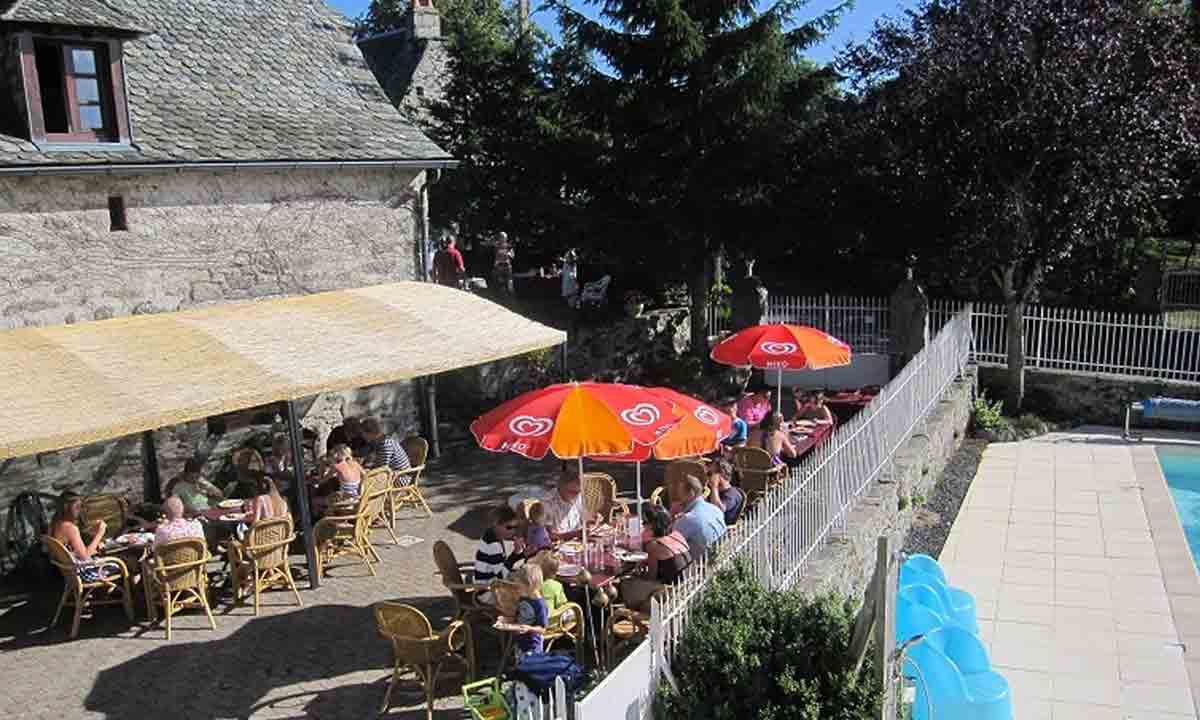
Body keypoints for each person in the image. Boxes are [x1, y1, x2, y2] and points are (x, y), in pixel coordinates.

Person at [48, 491, 114, 582]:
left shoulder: (54, 523)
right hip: (85, 572)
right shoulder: (70, 528)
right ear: (66, 508)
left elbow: (73, 551)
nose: (80, 510)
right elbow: (85, 556)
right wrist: (100, 533)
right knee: (129, 562)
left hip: (69, 572)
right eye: (77, 507)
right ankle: (129, 593)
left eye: (80, 507)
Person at [671, 474, 727, 562]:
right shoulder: (716, 509)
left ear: (691, 493)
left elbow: (670, 544)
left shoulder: (688, 519)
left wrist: (672, 519)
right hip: (722, 557)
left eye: (681, 493)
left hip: (700, 567)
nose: (678, 497)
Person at [474, 504, 526, 586]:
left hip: (490, 583)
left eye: (515, 527)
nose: (513, 531)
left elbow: (501, 565)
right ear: (497, 524)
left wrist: (523, 554)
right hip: (487, 590)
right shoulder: (494, 546)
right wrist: (516, 553)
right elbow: (501, 576)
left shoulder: (490, 533)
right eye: (509, 527)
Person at [641, 504, 692, 584]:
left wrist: (639, 575)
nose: (643, 525)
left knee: (627, 584)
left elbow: (651, 577)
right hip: (688, 583)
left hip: (672, 590)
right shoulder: (677, 535)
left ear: (653, 525)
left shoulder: (653, 545)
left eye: (644, 522)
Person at [540, 464, 593, 540]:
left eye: (578, 492)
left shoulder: (578, 495)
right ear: (561, 487)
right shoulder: (547, 503)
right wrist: (574, 534)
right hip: (557, 546)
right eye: (573, 492)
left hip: (577, 543)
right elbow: (548, 536)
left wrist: (593, 520)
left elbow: (584, 516)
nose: (576, 496)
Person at [705, 461, 745, 526]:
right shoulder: (715, 492)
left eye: (709, 474)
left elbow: (717, 510)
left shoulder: (732, 494)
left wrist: (714, 486)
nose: (707, 477)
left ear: (720, 475)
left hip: (721, 531)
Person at [532, 550, 568, 615]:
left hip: (533, 621)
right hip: (553, 622)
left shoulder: (531, 584)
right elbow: (562, 606)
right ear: (555, 572)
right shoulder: (557, 586)